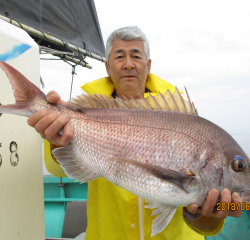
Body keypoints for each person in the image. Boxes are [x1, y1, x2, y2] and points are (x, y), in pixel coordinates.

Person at [28, 26, 243, 240]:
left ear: (148, 65)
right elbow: (58, 170)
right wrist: (57, 137)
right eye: (119, 56)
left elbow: (206, 223)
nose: (128, 64)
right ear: (107, 67)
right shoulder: (87, 112)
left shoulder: (181, 117)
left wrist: (203, 214)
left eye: (136, 56)